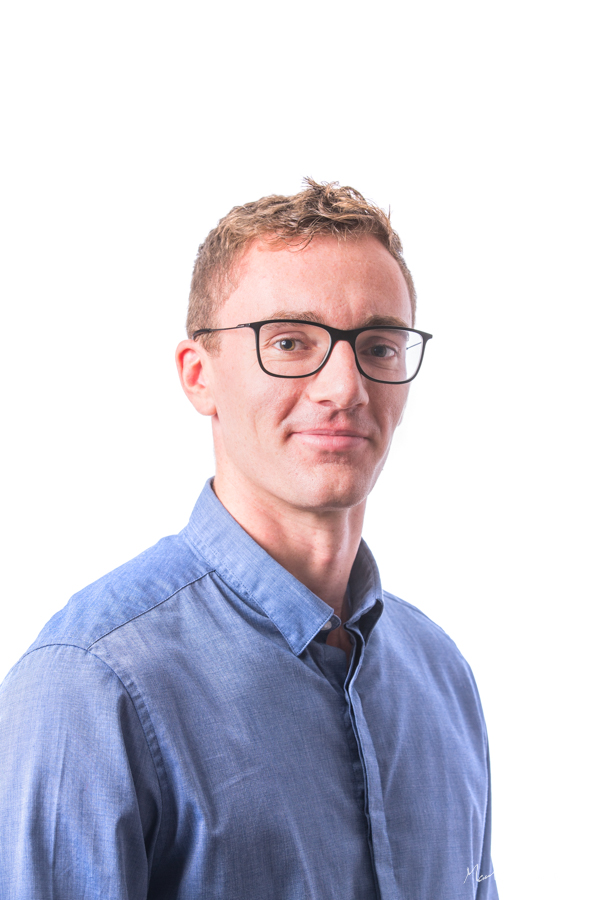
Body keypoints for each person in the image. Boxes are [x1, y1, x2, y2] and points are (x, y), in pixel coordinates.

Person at [0, 179, 497, 899]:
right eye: (290, 342)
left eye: (379, 346)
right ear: (198, 376)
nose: (344, 388)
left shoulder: (442, 677)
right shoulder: (89, 685)